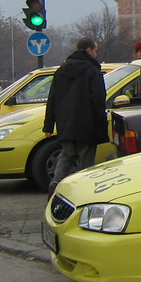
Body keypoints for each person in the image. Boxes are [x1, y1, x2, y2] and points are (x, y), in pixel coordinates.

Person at [43, 37, 107, 196]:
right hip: (87, 123)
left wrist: (48, 125)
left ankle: (56, 182)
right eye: (95, 51)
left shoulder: (61, 70)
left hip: (65, 123)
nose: (96, 54)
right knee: (86, 160)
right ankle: (84, 191)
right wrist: (101, 125)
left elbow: (52, 99)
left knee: (66, 154)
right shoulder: (92, 70)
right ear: (89, 50)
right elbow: (98, 100)